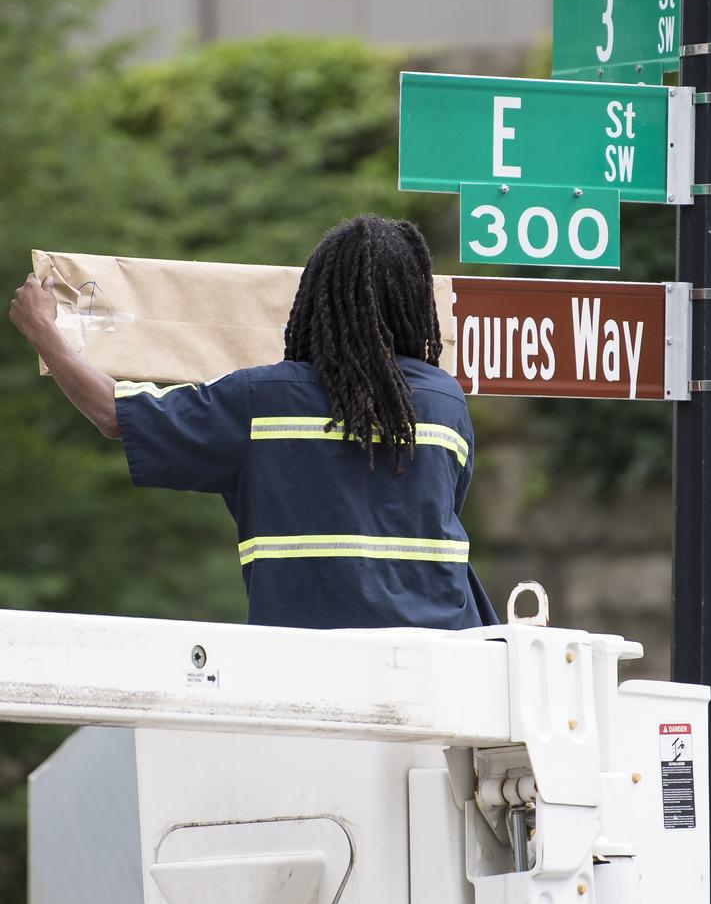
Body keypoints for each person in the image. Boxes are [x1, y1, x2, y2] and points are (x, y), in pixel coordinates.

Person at [10, 215, 498, 631]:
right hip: (444, 665)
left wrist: (43, 332)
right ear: (415, 303)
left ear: (315, 297)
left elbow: (113, 414)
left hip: (298, 666)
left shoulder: (259, 401)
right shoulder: (444, 402)